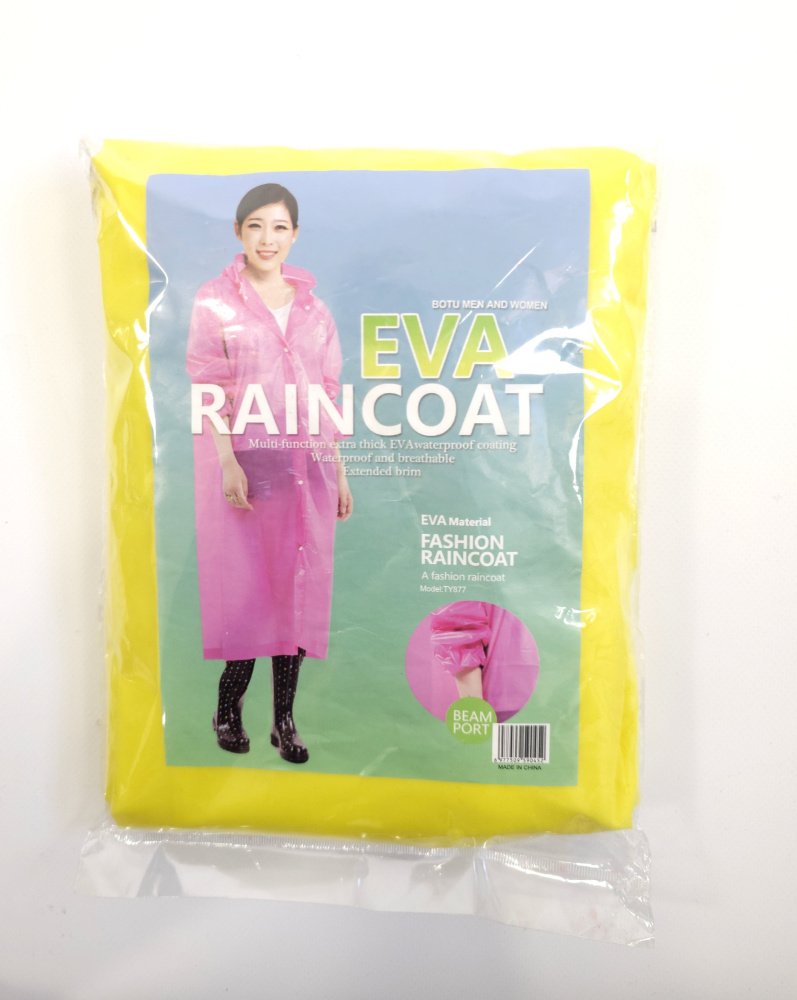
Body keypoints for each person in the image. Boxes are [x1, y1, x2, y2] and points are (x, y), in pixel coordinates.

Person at [186, 183, 353, 764]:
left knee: (296, 594)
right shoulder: (215, 300)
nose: (267, 238)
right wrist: (227, 460)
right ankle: (227, 710)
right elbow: (208, 385)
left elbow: (327, 394)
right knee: (247, 595)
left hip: (306, 470)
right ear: (238, 231)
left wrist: (340, 472)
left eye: (279, 227)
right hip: (244, 472)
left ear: (295, 235)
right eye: (256, 225)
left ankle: (284, 721)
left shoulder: (314, 309)